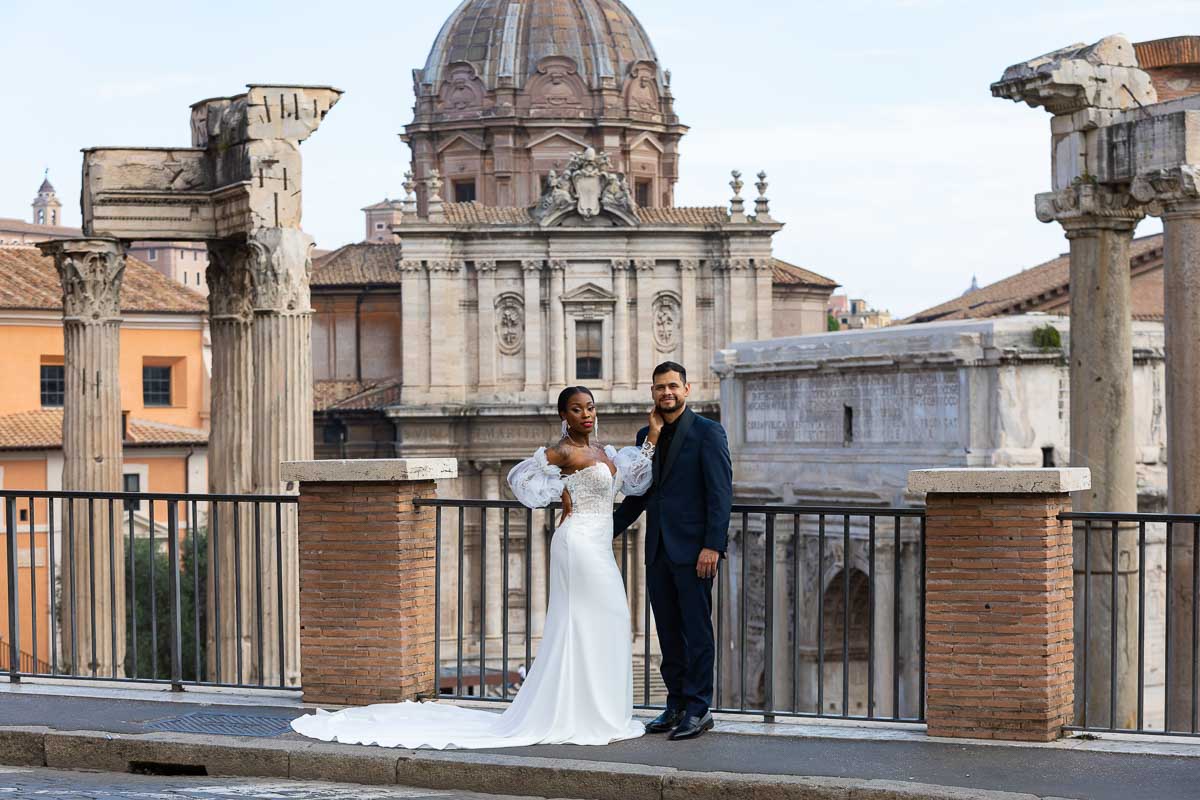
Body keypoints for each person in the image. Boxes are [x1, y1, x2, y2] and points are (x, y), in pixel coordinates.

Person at [291, 386, 653, 749]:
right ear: (564, 416)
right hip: (577, 544)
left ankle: (596, 711)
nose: (585, 414)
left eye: (589, 407)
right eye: (576, 409)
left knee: (608, 620)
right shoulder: (562, 451)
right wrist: (562, 494)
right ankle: (577, 714)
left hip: (599, 545)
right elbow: (522, 480)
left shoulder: (606, 453)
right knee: (579, 622)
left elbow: (637, 479)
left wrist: (651, 436)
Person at [613, 361, 733, 740]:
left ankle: (699, 709)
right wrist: (604, 531)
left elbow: (720, 494)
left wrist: (713, 545)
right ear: (652, 393)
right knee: (667, 632)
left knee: (696, 632)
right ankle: (676, 703)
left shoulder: (708, 433)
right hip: (659, 550)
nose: (667, 392)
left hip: (697, 552)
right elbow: (639, 493)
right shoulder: (645, 436)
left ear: (686, 389)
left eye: (673, 386)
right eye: (660, 387)